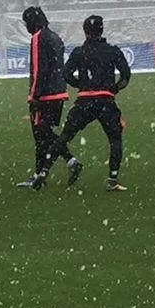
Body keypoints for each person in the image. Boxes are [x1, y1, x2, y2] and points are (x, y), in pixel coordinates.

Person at [29, 15, 131, 192]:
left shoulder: (79, 52)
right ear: (101, 30)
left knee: (65, 136)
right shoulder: (112, 50)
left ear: (85, 32)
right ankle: (113, 179)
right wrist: (114, 88)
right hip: (105, 100)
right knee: (115, 138)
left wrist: (82, 85)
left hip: (84, 100)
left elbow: (66, 74)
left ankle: (44, 170)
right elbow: (126, 75)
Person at [17, 6, 82, 188]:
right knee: (45, 134)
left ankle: (64, 163)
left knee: (41, 134)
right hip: (58, 93)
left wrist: (34, 95)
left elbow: (39, 69)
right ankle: (44, 173)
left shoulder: (38, 38)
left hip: (45, 95)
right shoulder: (55, 37)